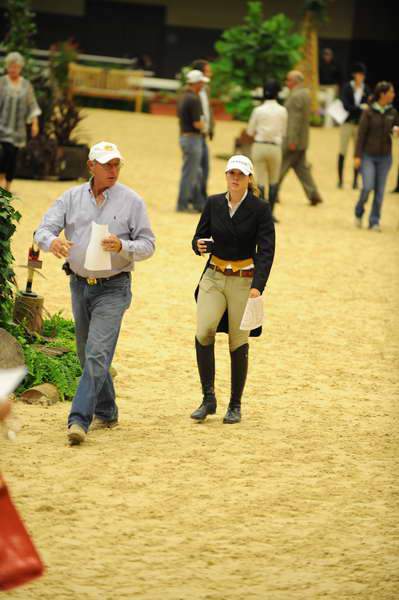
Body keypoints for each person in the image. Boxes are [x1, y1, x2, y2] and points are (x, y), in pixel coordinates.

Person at [35, 142, 155, 445]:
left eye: (117, 164)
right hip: (78, 285)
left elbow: (149, 245)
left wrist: (123, 246)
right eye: (107, 164)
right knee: (85, 352)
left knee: (98, 354)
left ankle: (78, 419)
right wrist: (53, 244)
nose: (113, 170)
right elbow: (42, 231)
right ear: (91, 166)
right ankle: (107, 409)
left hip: (114, 288)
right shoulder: (71, 198)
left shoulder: (132, 201)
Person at [191, 155, 275, 424]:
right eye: (231, 173)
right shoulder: (213, 203)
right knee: (204, 329)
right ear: (226, 176)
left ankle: (235, 404)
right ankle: (208, 398)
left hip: (243, 280)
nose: (235, 178)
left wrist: (257, 287)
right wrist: (199, 245)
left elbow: (266, 251)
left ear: (249, 178)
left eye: (240, 174)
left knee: (238, 340)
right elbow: (199, 237)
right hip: (213, 277)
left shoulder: (261, 209)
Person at [354, 82, 399, 231]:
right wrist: (357, 156)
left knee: (380, 192)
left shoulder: (393, 112)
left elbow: (395, 130)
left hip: (385, 157)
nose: (393, 94)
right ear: (382, 94)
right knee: (367, 187)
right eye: (391, 92)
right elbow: (360, 136)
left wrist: (396, 133)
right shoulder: (368, 112)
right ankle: (359, 211)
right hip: (368, 156)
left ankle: (374, 220)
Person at [278, 70, 323, 206]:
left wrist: (292, 140)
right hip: (302, 140)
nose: (286, 83)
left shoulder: (296, 96)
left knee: (281, 166)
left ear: (295, 81)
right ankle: (313, 194)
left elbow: (294, 121)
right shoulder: (305, 94)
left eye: (288, 80)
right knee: (302, 169)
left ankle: (271, 193)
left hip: (294, 141)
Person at [246, 79, 287, 221]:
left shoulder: (258, 110)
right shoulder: (283, 111)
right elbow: (284, 132)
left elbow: (250, 131)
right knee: (274, 181)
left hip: (259, 146)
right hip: (275, 147)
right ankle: (271, 213)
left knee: (260, 181)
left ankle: (261, 214)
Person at [0, 52, 41, 192]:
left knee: (13, 157)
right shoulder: (2, 82)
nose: (13, 70)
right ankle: (1, 180)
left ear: (20, 68)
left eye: (16, 67)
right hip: (2, 127)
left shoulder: (26, 85)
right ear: (7, 67)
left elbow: (32, 104)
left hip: (18, 130)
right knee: (6, 152)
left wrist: (35, 123)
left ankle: (8, 185)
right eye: (11, 67)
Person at [176, 69, 209, 212]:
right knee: (190, 173)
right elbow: (197, 123)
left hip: (184, 136)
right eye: (201, 82)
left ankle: (198, 203)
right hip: (193, 138)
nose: (202, 85)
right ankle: (182, 204)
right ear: (196, 83)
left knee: (196, 172)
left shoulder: (183, 96)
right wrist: (205, 127)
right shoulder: (194, 99)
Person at [337, 63, 370, 189]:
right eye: (359, 74)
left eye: (362, 75)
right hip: (347, 123)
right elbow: (346, 105)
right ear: (354, 75)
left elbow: (368, 106)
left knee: (357, 152)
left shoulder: (366, 89)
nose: (360, 77)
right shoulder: (347, 87)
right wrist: (360, 108)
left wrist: (357, 109)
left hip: (359, 125)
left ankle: (355, 180)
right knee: (342, 150)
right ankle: (340, 180)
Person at [192, 59, 215, 198]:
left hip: (203, 133)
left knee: (204, 168)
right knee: (198, 169)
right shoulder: (193, 91)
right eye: (207, 71)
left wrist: (210, 128)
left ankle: (201, 196)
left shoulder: (206, 89)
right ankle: (197, 197)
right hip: (196, 133)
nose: (210, 74)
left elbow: (208, 110)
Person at [319, 48, 342, 128]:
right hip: (321, 87)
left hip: (332, 87)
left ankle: (330, 123)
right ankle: (320, 120)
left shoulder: (335, 65)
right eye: (325, 55)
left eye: (328, 55)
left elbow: (339, 78)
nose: (327, 56)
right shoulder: (320, 64)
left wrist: (338, 88)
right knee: (321, 103)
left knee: (331, 104)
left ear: (331, 56)